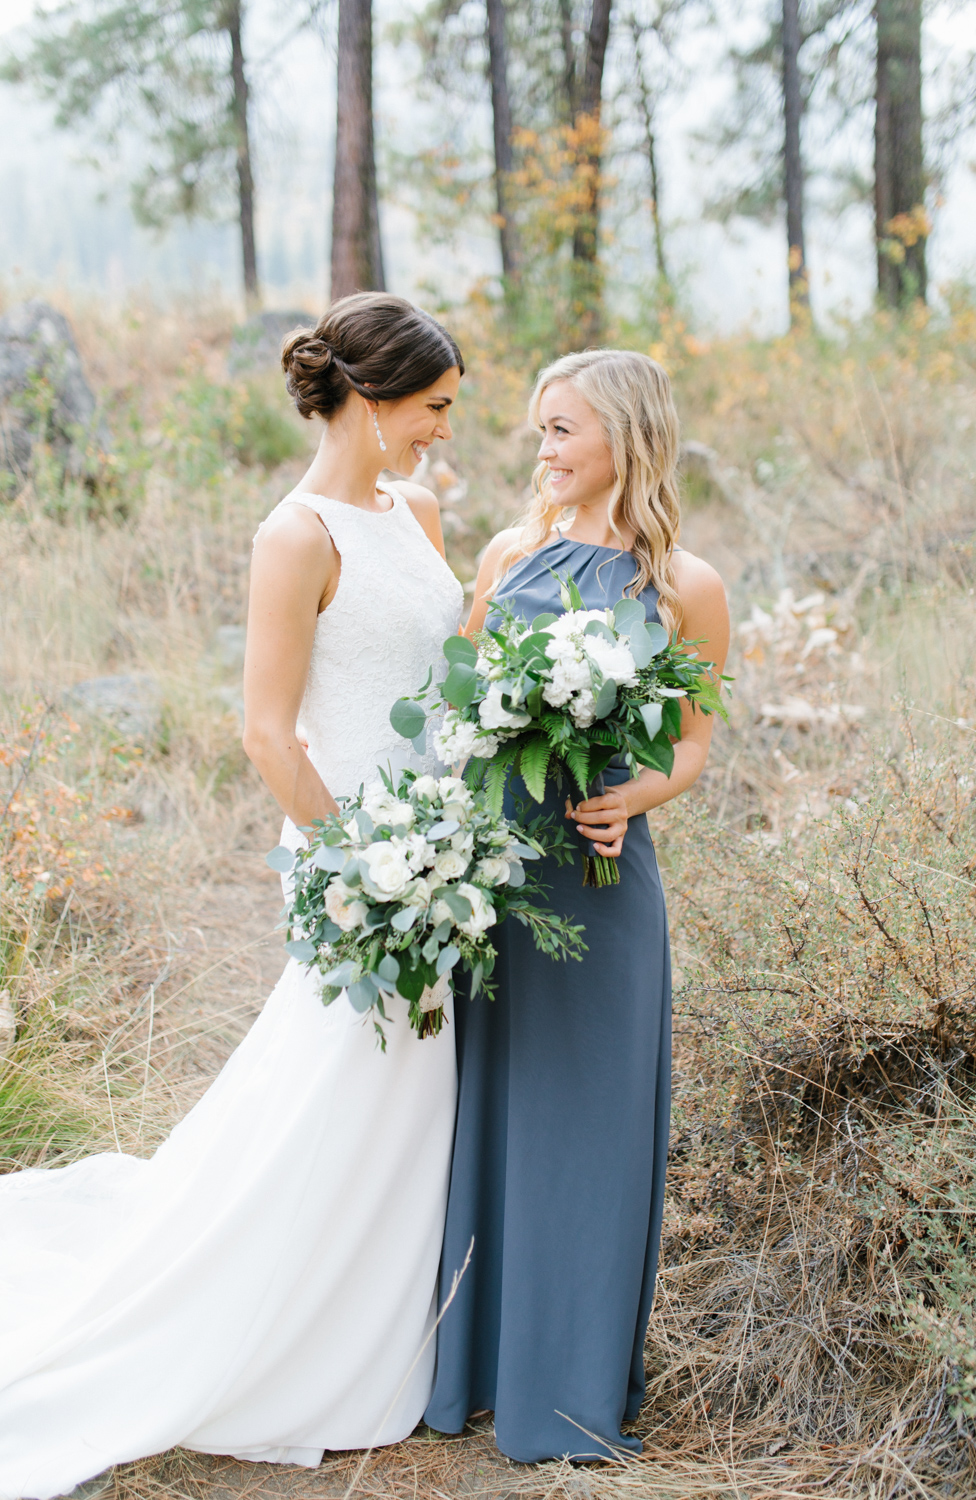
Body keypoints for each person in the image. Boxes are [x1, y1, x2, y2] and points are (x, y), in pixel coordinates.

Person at [0, 293, 466, 1498]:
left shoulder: (410, 511)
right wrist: (369, 873)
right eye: (431, 410)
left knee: (406, 1092)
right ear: (367, 403)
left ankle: (383, 1325)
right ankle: (284, 1330)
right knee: (346, 1075)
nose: (441, 436)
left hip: (438, 855)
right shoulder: (293, 536)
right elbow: (266, 734)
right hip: (357, 860)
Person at [424, 348, 730, 1463]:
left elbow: (694, 744)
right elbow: (451, 705)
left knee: (593, 1131)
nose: (541, 449)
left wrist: (636, 792)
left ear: (624, 438)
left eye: (562, 430)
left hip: (604, 885)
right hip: (502, 874)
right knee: (496, 1113)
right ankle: (477, 1370)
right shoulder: (511, 554)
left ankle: (570, 1393)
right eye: (539, 429)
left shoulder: (681, 584)